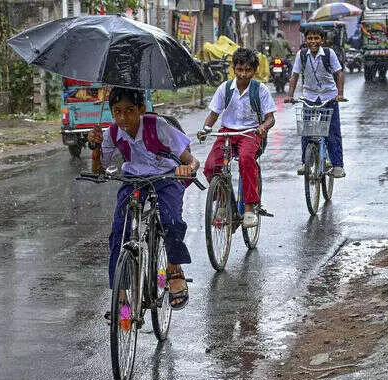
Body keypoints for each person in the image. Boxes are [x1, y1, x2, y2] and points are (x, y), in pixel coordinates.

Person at [87, 88, 200, 310]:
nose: (123, 118)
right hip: (133, 179)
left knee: (171, 221)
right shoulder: (112, 133)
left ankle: (174, 270)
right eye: (117, 111)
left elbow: (191, 160)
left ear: (141, 110)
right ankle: (121, 294)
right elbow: (99, 170)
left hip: (166, 177)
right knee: (119, 232)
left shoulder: (158, 126)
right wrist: (96, 147)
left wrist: (187, 168)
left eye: (129, 111)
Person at [198, 48, 276, 228]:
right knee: (211, 165)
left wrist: (263, 127)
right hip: (227, 132)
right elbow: (214, 114)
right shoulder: (224, 88)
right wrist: (205, 129)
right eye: (240, 69)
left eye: (248, 70)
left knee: (246, 160)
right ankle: (223, 202)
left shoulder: (260, 90)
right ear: (234, 69)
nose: (243, 74)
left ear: (254, 70)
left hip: (250, 133)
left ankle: (249, 208)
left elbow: (270, 118)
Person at [285, 26, 347, 178]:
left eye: (316, 38)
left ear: (322, 40)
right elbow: (294, 75)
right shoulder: (302, 54)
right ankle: (305, 163)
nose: (313, 41)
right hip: (309, 96)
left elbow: (339, 73)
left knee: (332, 131)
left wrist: (339, 94)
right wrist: (290, 95)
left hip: (329, 96)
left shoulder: (328, 53)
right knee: (307, 129)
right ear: (305, 40)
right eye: (310, 38)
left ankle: (337, 165)